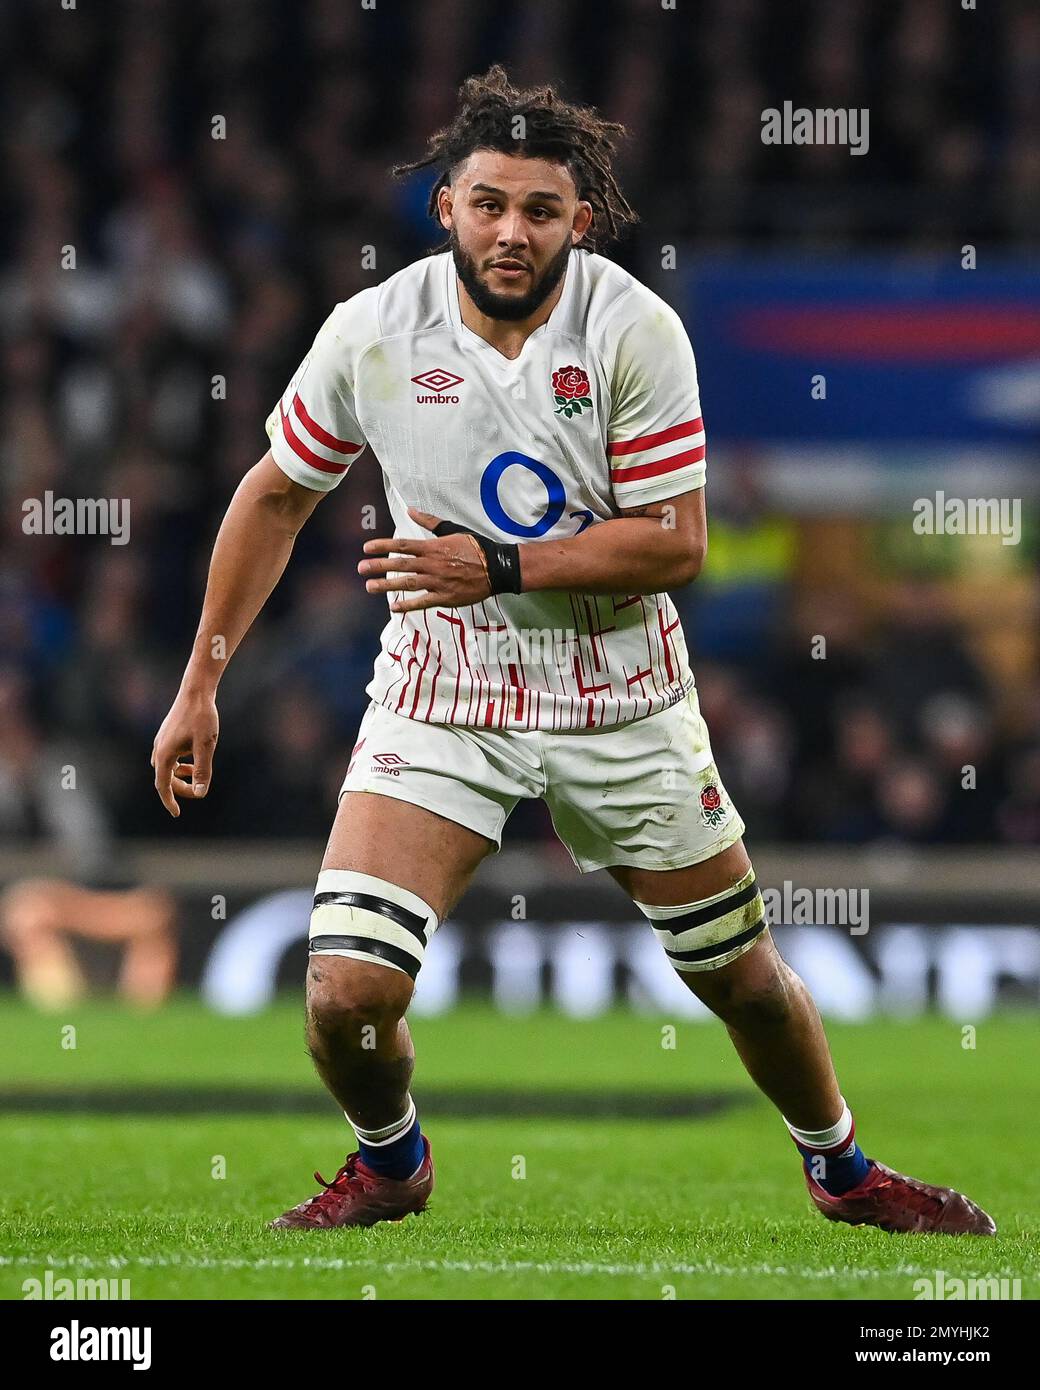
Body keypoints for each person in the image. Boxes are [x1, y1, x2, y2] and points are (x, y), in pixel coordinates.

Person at [151, 66, 994, 1236]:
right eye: (488, 203)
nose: (511, 231)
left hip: (621, 696)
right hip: (442, 688)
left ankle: (843, 1170)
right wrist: (200, 681)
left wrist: (489, 563)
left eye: (539, 210)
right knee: (345, 993)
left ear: (578, 223)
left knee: (740, 983)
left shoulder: (634, 330)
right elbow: (276, 496)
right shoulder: (369, 332)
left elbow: (673, 545)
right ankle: (390, 1162)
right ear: (445, 204)